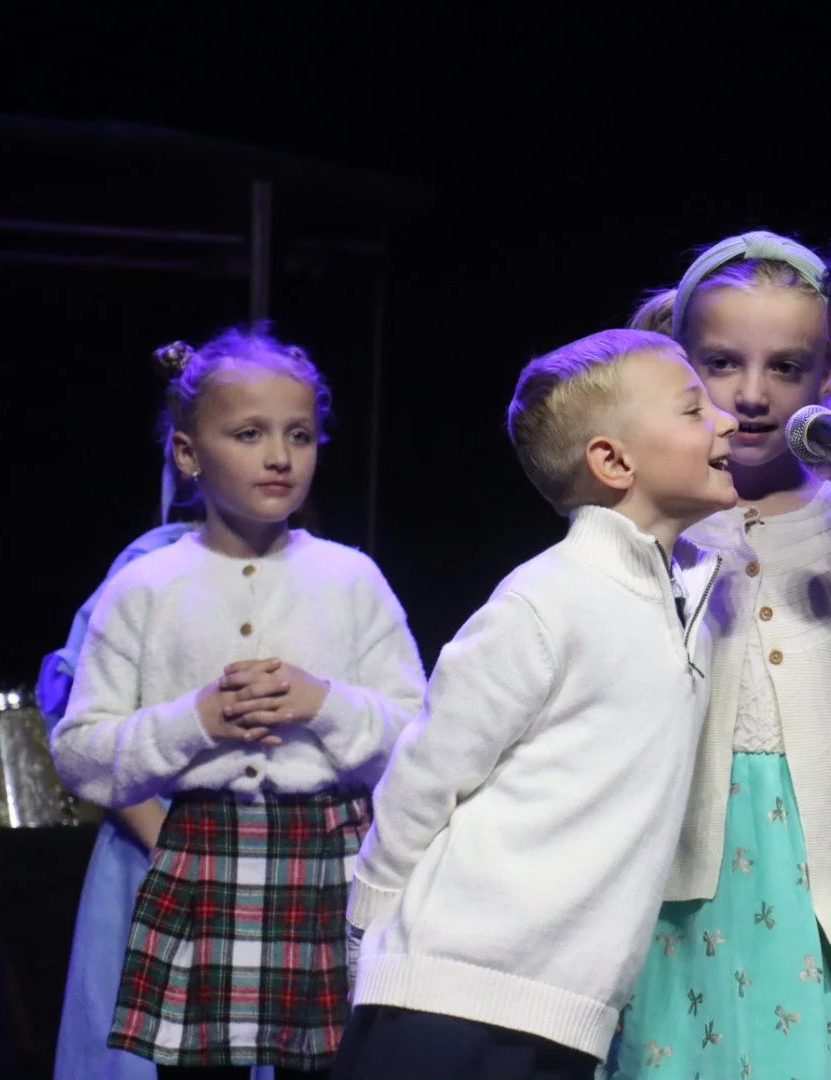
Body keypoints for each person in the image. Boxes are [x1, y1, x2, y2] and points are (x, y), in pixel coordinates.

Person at [331, 329, 739, 1080]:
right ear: (613, 460)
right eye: (693, 410)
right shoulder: (549, 598)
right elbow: (426, 772)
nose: (727, 420)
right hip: (448, 998)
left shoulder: (687, 600)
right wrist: (370, 928)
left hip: (564, 1012)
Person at [51, 328, 426, 1078]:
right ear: (188, 453)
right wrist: (195, 720)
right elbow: (81, 755)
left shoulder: (351, 579)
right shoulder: (145, 588)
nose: (280, 457)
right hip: (203, 860)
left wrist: (324, 702)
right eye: (249, 434)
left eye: (300, 435)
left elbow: (419, 737)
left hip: (326, 860)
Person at [613, 232, 831, 1079]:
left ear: (828, 373)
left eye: (787, 368)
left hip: (824, 882)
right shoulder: (647, 528)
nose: (752, 395)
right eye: (720, 363)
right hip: (670, 892)